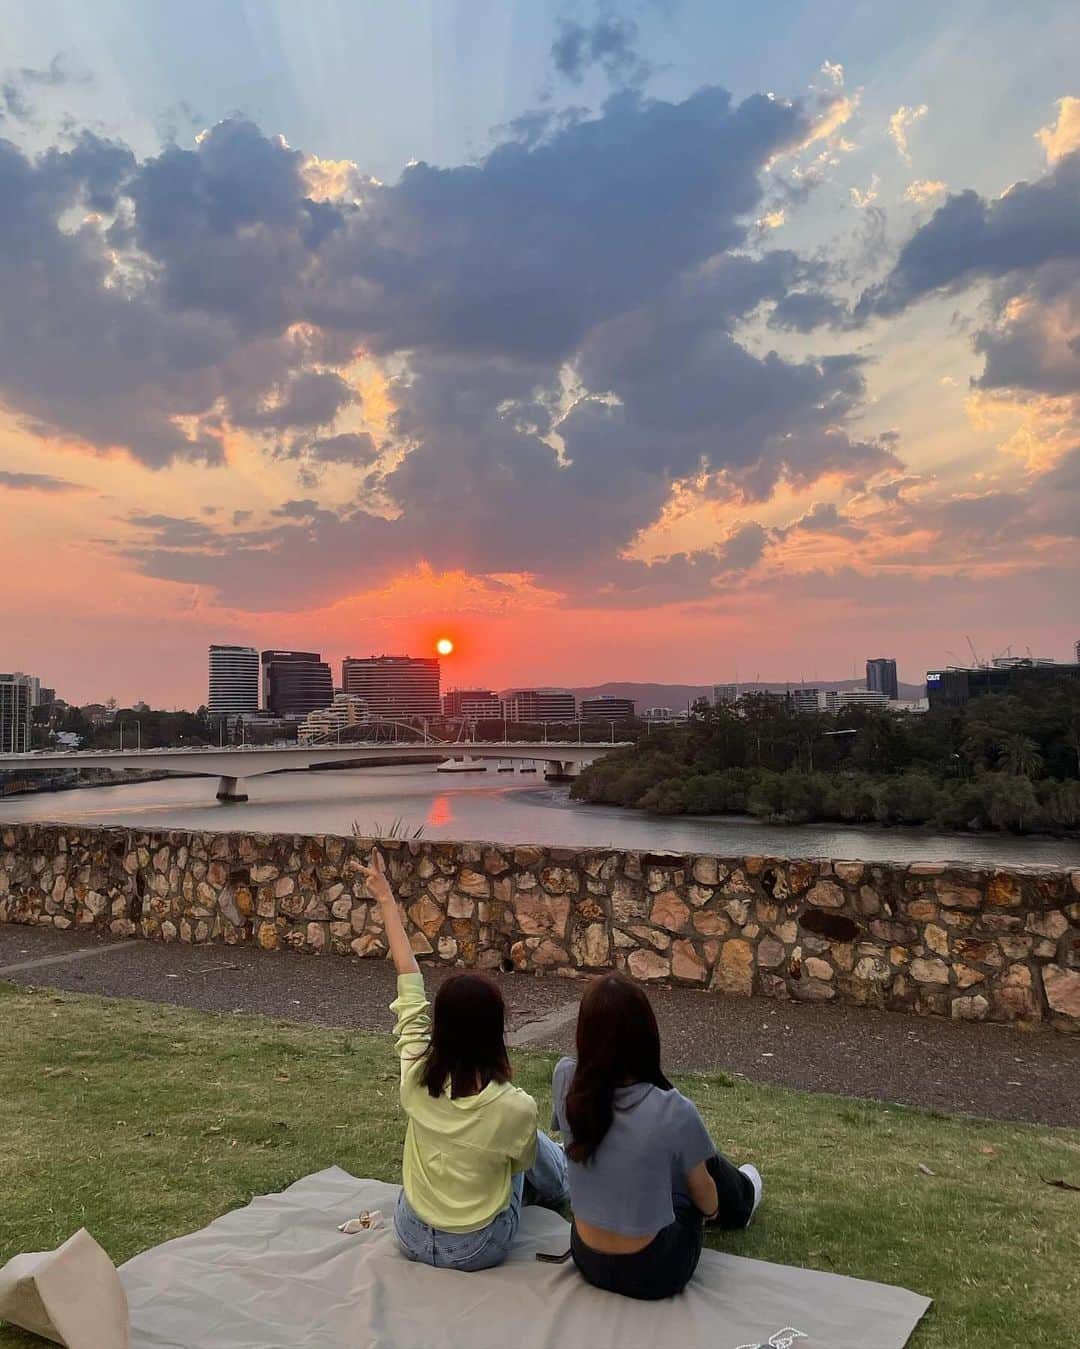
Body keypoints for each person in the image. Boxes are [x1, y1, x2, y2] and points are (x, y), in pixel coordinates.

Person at [359, 849, 568, 1272]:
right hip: (477, 1247)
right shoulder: (514, 1105)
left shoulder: (415, 1074)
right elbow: (521, 1166)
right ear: (495, 1032)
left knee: (508, 1139)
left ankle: (561, 1169)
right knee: (529, 1150)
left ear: (441, 1027)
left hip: (411, 1232)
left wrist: (384, 897)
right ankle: (567, 1177)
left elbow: (409, 982)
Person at [550, 971, 762, 1300]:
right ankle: (745, 1197)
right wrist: (712, 1213)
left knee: (673, 1156)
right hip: (653, 1271)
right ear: (645, 1035)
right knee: (702, 1168)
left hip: (586, 1255)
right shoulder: (673, 1109)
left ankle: (739, 1189)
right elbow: (706, 1199)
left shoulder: (565, 1078)